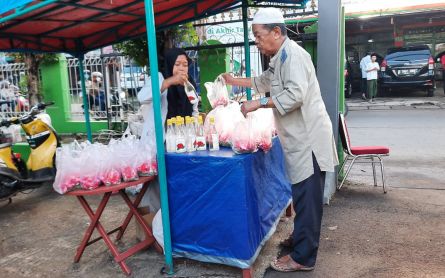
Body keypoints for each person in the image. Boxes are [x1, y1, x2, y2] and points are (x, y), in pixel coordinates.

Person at [222, 8, 338, 272]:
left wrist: (258, 104)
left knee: (308, 201)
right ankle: (300, 240)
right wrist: (232, 80)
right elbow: (262, 81)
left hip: (309, 140)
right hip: (298, 139)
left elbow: (295, 95)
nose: (258, 43)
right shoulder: (279, 57)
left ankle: (303, 258)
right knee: (300, 196)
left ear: (277, 32)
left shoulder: (294, 56)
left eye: (259, 37)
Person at [138, 48, 198, 212]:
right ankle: (154, 223)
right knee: (157, 186)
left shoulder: (189, 83)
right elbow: (141, 97)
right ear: (170, 64)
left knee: (178, 183)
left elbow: (194, 110)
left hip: (182, 142)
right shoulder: (159, 78)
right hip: (160, 143)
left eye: (185, 65)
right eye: (177, 64)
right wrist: (169, 82)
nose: (181, 68)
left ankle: (176, 218)